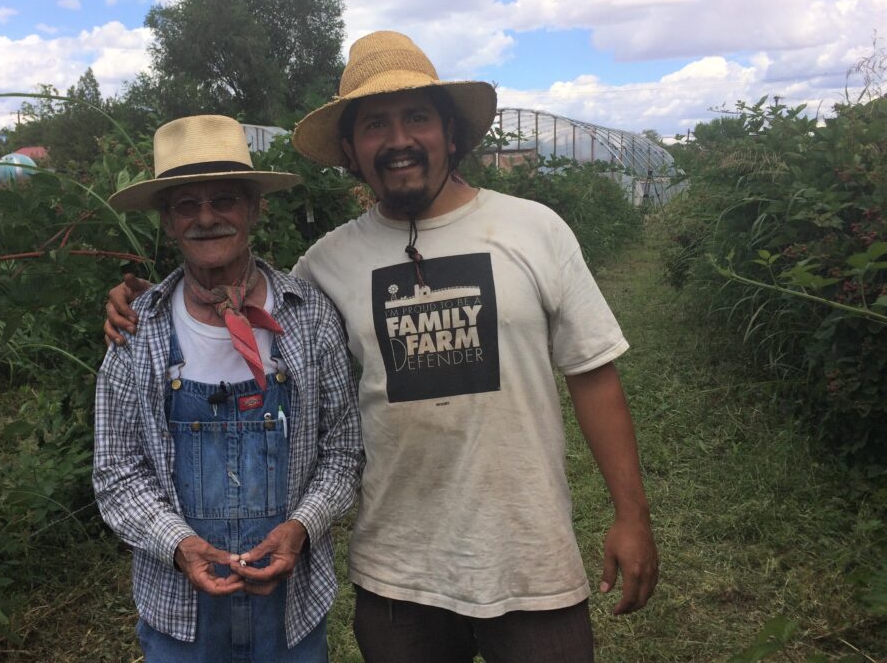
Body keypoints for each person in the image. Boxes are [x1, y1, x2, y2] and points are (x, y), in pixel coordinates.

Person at [106, 33, 658, 662]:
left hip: (532, 562)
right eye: (374, 125)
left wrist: (631, 515)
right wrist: (151, 302)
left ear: (451, 133)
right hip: (398, 578)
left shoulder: (535, 231)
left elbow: (594, 376)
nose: (398, 140)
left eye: (417, 116)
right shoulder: (325, 268)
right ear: (350, 150)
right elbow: (241, 302)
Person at [93, 114, 363, 663]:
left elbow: (344, 451)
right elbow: (116, 472)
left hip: (292, 613)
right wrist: (180, 546)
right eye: (187, 205)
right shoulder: (137, 331)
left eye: (224, 200)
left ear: (254, 209)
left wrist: (302, 527)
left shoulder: (308, 317)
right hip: (180, 617)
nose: (206, 218)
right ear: (168, 221)